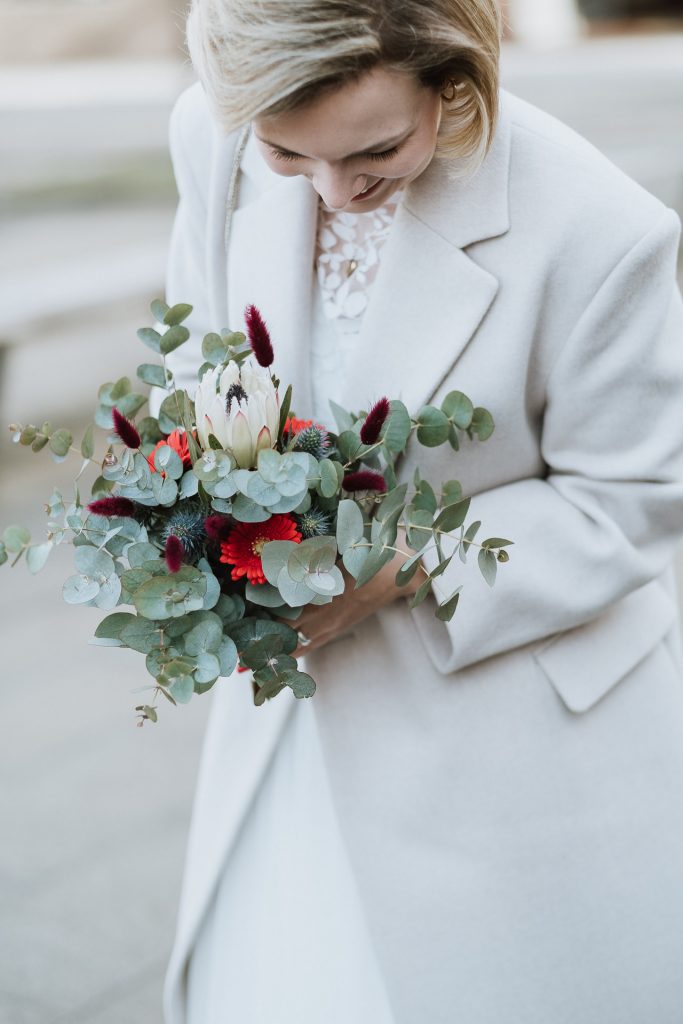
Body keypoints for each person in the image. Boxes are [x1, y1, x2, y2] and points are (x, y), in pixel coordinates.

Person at [159, 1, 683, 1021]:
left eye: (375, 151)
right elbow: (195, 371)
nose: (332, 192)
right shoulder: (210, 134)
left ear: (453, 77)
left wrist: (397, 566)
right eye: (285, 155)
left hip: (517, 736)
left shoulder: (598, 227)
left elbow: (632, 499)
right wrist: (200, 515)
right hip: (292, 729)